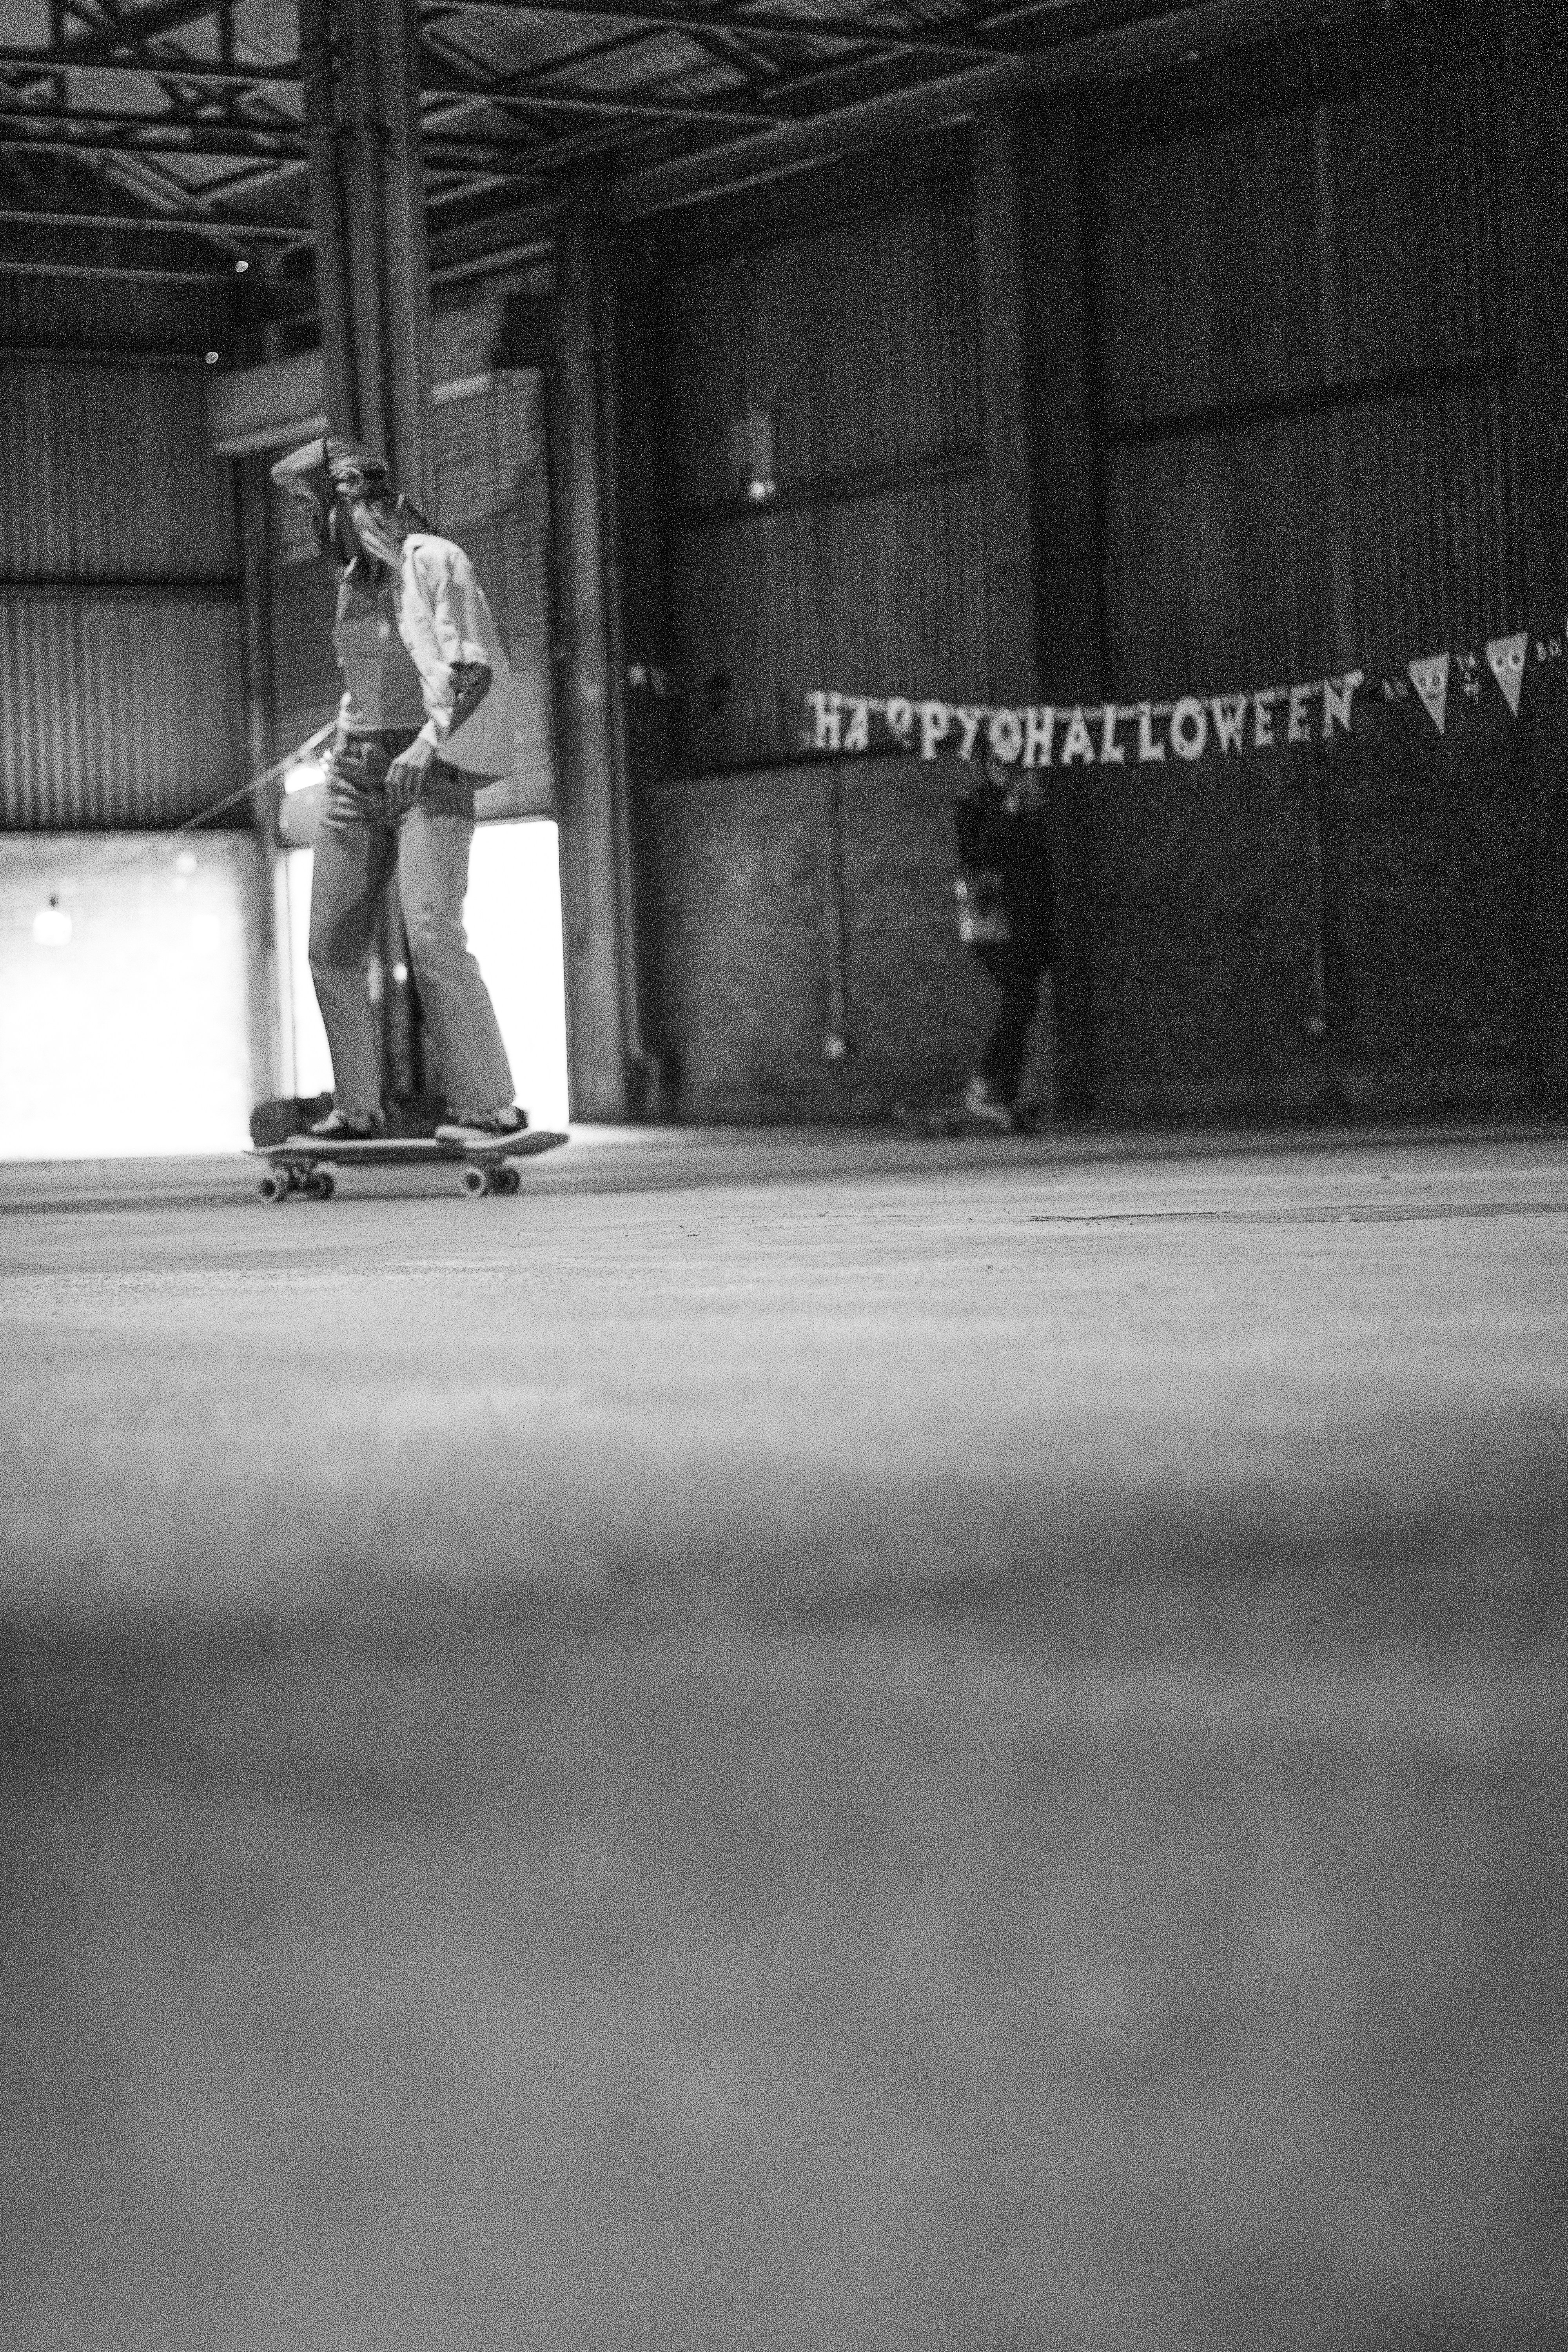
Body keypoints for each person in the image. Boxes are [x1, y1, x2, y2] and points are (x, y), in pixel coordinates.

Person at [269, 433, 526, 1146]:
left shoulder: (437, 560)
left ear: (350, 506)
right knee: (330, 949)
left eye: (313, 509)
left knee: (435, 934)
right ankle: (358, 1109)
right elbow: (377, 679)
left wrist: (426, 740)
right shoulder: (359, 580)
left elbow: (471, 671)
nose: (310, 529)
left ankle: (490, 1106)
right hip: (354, 774)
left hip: (429, 774)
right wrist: (346, 731)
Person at [950, 755, 1058, 1131]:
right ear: (991, 768)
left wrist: (1034, 812)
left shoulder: (1030, 804)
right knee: (1019, 995)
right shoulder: (975, 806)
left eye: (1018, 768)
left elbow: (1039, 862)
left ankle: (1002, 1094)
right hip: (991, 917)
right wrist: (1010, 813)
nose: (1013, 775)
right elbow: (977, 857)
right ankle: (982, 1089)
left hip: (1028, 917)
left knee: (1025, 999)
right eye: (1005, 768)